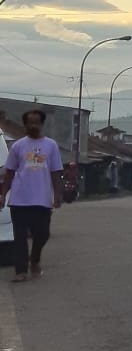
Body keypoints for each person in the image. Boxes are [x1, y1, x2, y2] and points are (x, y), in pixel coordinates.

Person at [0, 108, 64, 283]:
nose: (33, 125)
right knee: (19, 238)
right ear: (25, 124)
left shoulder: (51, 146)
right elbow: (10, 173)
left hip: (42, 200)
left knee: (42, 234)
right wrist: (3, 194)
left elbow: (55, 172)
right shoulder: (18, 146)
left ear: (41, 124)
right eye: (30, 122)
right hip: (19, 199)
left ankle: (34, 260)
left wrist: (57, 194)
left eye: (37, 122)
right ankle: (20, 271)